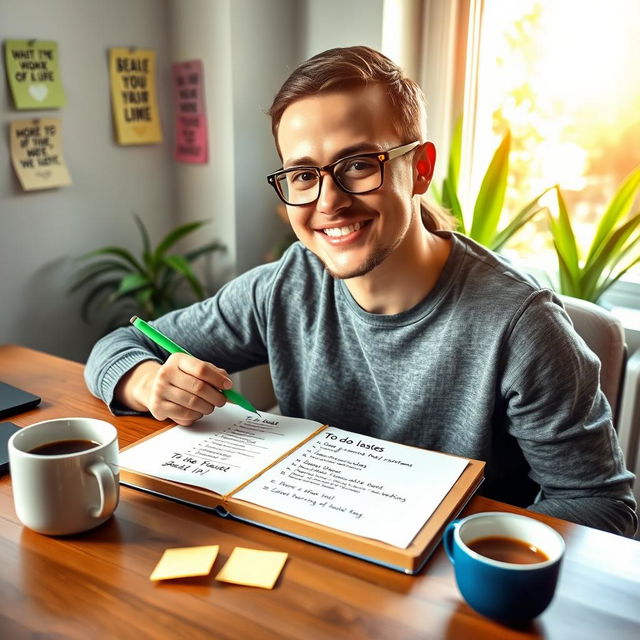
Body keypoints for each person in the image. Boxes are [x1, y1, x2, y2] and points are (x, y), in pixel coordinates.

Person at [85, 46, 637, 537]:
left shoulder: (522, 325)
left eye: (357, 164)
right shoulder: (283, 286)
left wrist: (460, 543)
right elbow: (116, 346)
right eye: (303, 175)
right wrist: (148, 383)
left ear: (419, 169)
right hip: (316, 565)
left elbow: (603, 509)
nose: (328, 201)